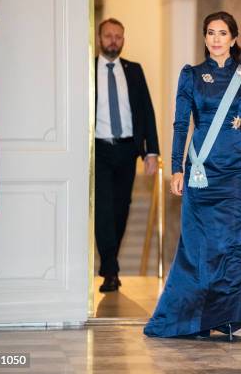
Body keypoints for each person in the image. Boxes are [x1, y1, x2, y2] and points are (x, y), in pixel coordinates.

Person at [144, 11, 241, 340]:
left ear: (233, 38)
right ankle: (194, 319)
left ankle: (229, 318)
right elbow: (181, 124)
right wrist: (176, 168)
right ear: (204, 37)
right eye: (210, 33)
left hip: (236, 174)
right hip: (201, 174)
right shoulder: (192, 75)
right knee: (198, 249)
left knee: (237, 247)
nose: (216, 39)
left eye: (222, 33)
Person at [94, 18, 159, 292]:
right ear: (99, 38)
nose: (113, 41)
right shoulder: (87, 68)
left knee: (121, 209)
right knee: (103, 210)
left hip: (127, 149)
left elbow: (146, 110)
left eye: (118, 37)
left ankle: (109, 262)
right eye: (108, 36)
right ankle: (111, 269)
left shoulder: (133, 70)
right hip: (97, 148)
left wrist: (151, 151)